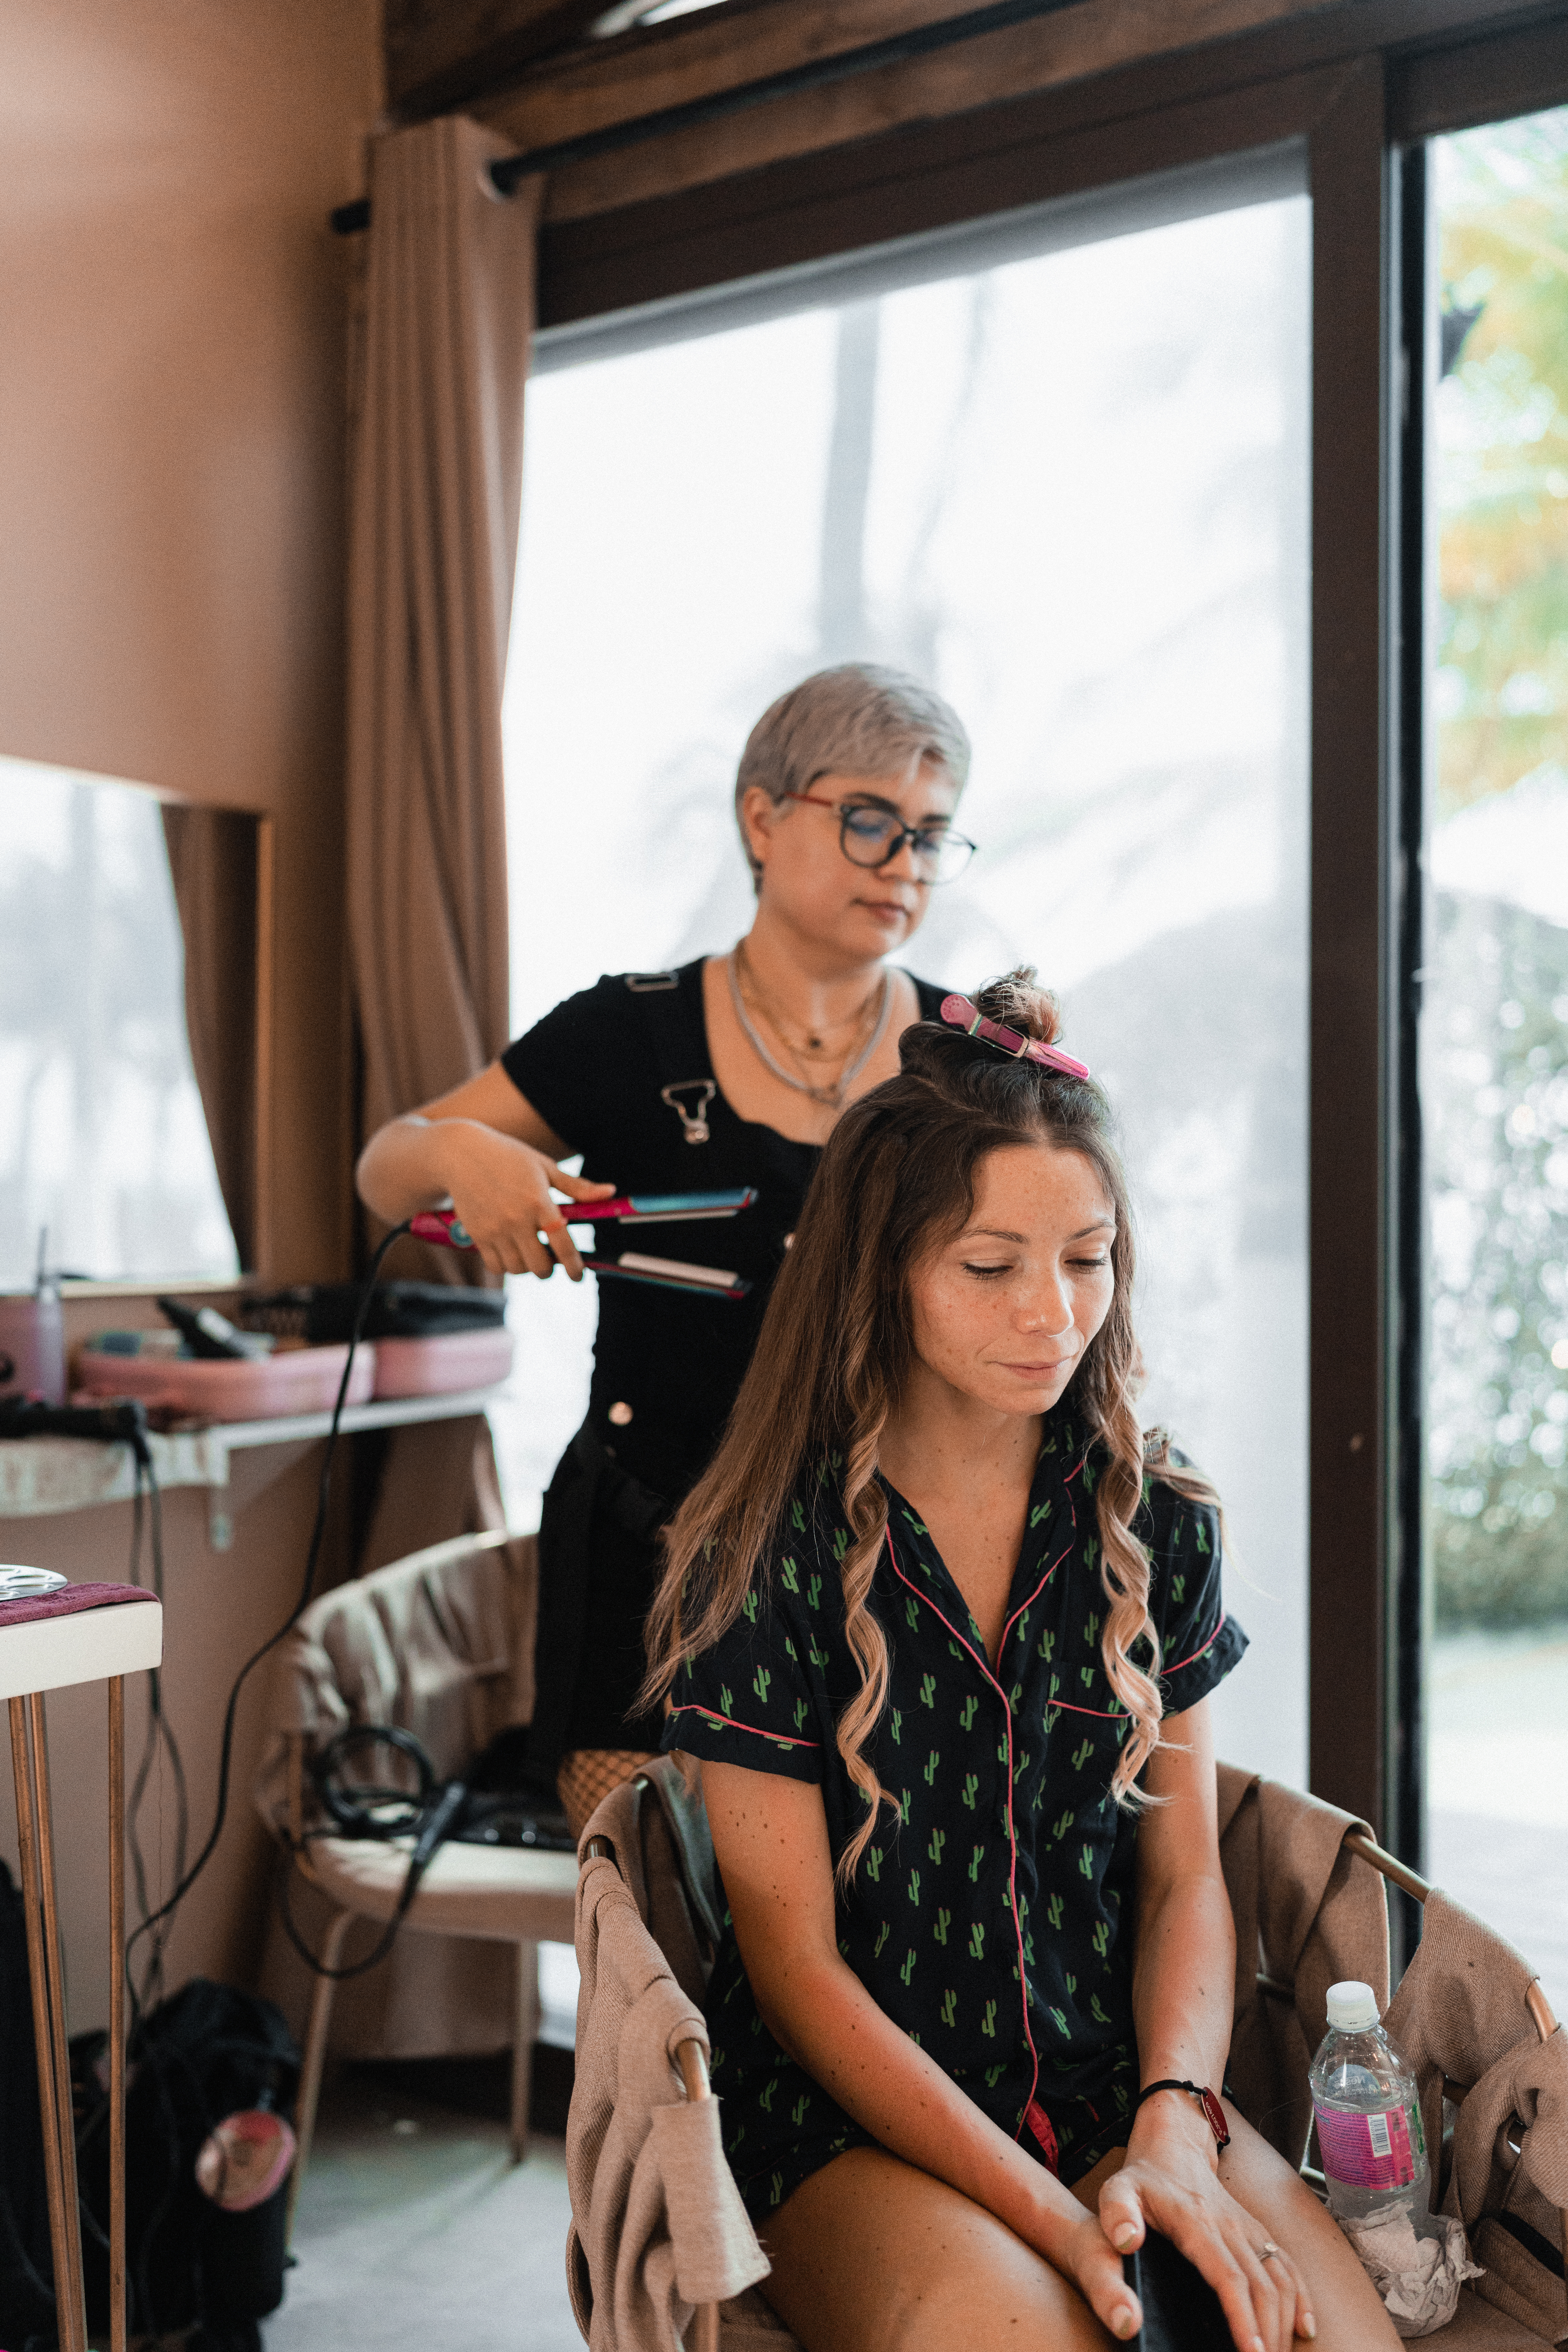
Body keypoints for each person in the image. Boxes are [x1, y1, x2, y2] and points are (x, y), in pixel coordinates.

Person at [640, 973, 1399, 2352]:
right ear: (883, 1272)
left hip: (1124, 2091)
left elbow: (1185, 1881)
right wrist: (1056, 2221)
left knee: (1328, 2345)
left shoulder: (1158, 1518)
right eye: (991, 1268)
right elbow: (799, 1975)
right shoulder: (765, 1556)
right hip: (852, 2127)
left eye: (1088, 1258)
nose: (1053, 1313)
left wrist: (1173, 2125)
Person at [355, 664, 975, 1835]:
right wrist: (457, 1150)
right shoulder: (628, 1029)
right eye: (868, 821)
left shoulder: (962, 1059)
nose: (903, 864)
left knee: (865, 1944)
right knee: (649, 1924)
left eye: (933, 837)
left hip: (887, 1562)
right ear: (761, 815)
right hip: (645, 1559)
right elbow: (382, 1168)